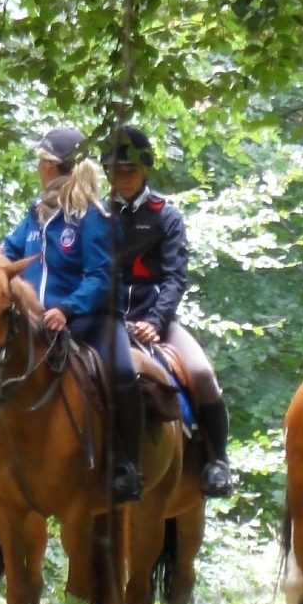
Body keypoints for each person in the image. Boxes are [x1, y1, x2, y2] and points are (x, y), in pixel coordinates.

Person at [0, 125, 145, 507]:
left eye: (41, 161)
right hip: (36, 320)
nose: (38, 167)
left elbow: (100, 276)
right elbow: (6, 253)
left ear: (53, 166)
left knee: (122, 373)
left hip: (90, 319)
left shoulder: (92, 216)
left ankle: (125, 465)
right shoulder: (35, 216)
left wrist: (67, 308)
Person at [104, 125, 233, 499]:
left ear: (145, 169)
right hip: (106, 321)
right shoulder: (96, 217)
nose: (121, 177)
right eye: (114, 171)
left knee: (201, 373)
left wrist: (154, 322)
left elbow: (176, 276)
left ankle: (217, 461)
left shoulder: (166, 216)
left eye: (128, 170)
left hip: (155, 319)